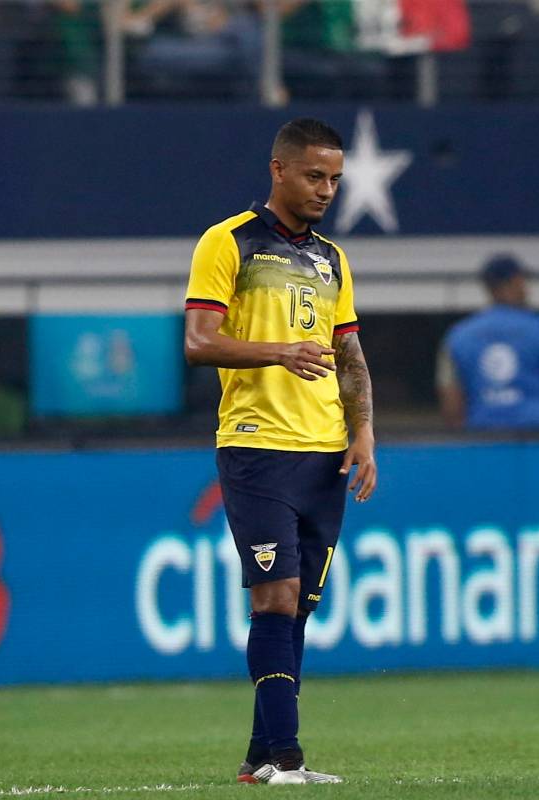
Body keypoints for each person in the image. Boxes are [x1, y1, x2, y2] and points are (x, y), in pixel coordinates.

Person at [183, 118, 377, 785]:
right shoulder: (229, 242)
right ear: (279, 170)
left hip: (324, 453)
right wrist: (277, 352)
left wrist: (364, 433)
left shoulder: (331, 259)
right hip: (257, 446)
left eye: (335, 180)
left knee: (296, 608)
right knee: (275, 596)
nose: (326, 190)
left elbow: (349, 353)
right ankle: (288, 756)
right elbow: (199, 341)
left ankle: (262, 757)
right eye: (315, 176)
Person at [436, 254, 539, 430]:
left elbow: (451, 401)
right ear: (515, 282)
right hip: (537, 435)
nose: (526, 288)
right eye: (523, 281)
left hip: (482, 436)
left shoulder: (458, 335)